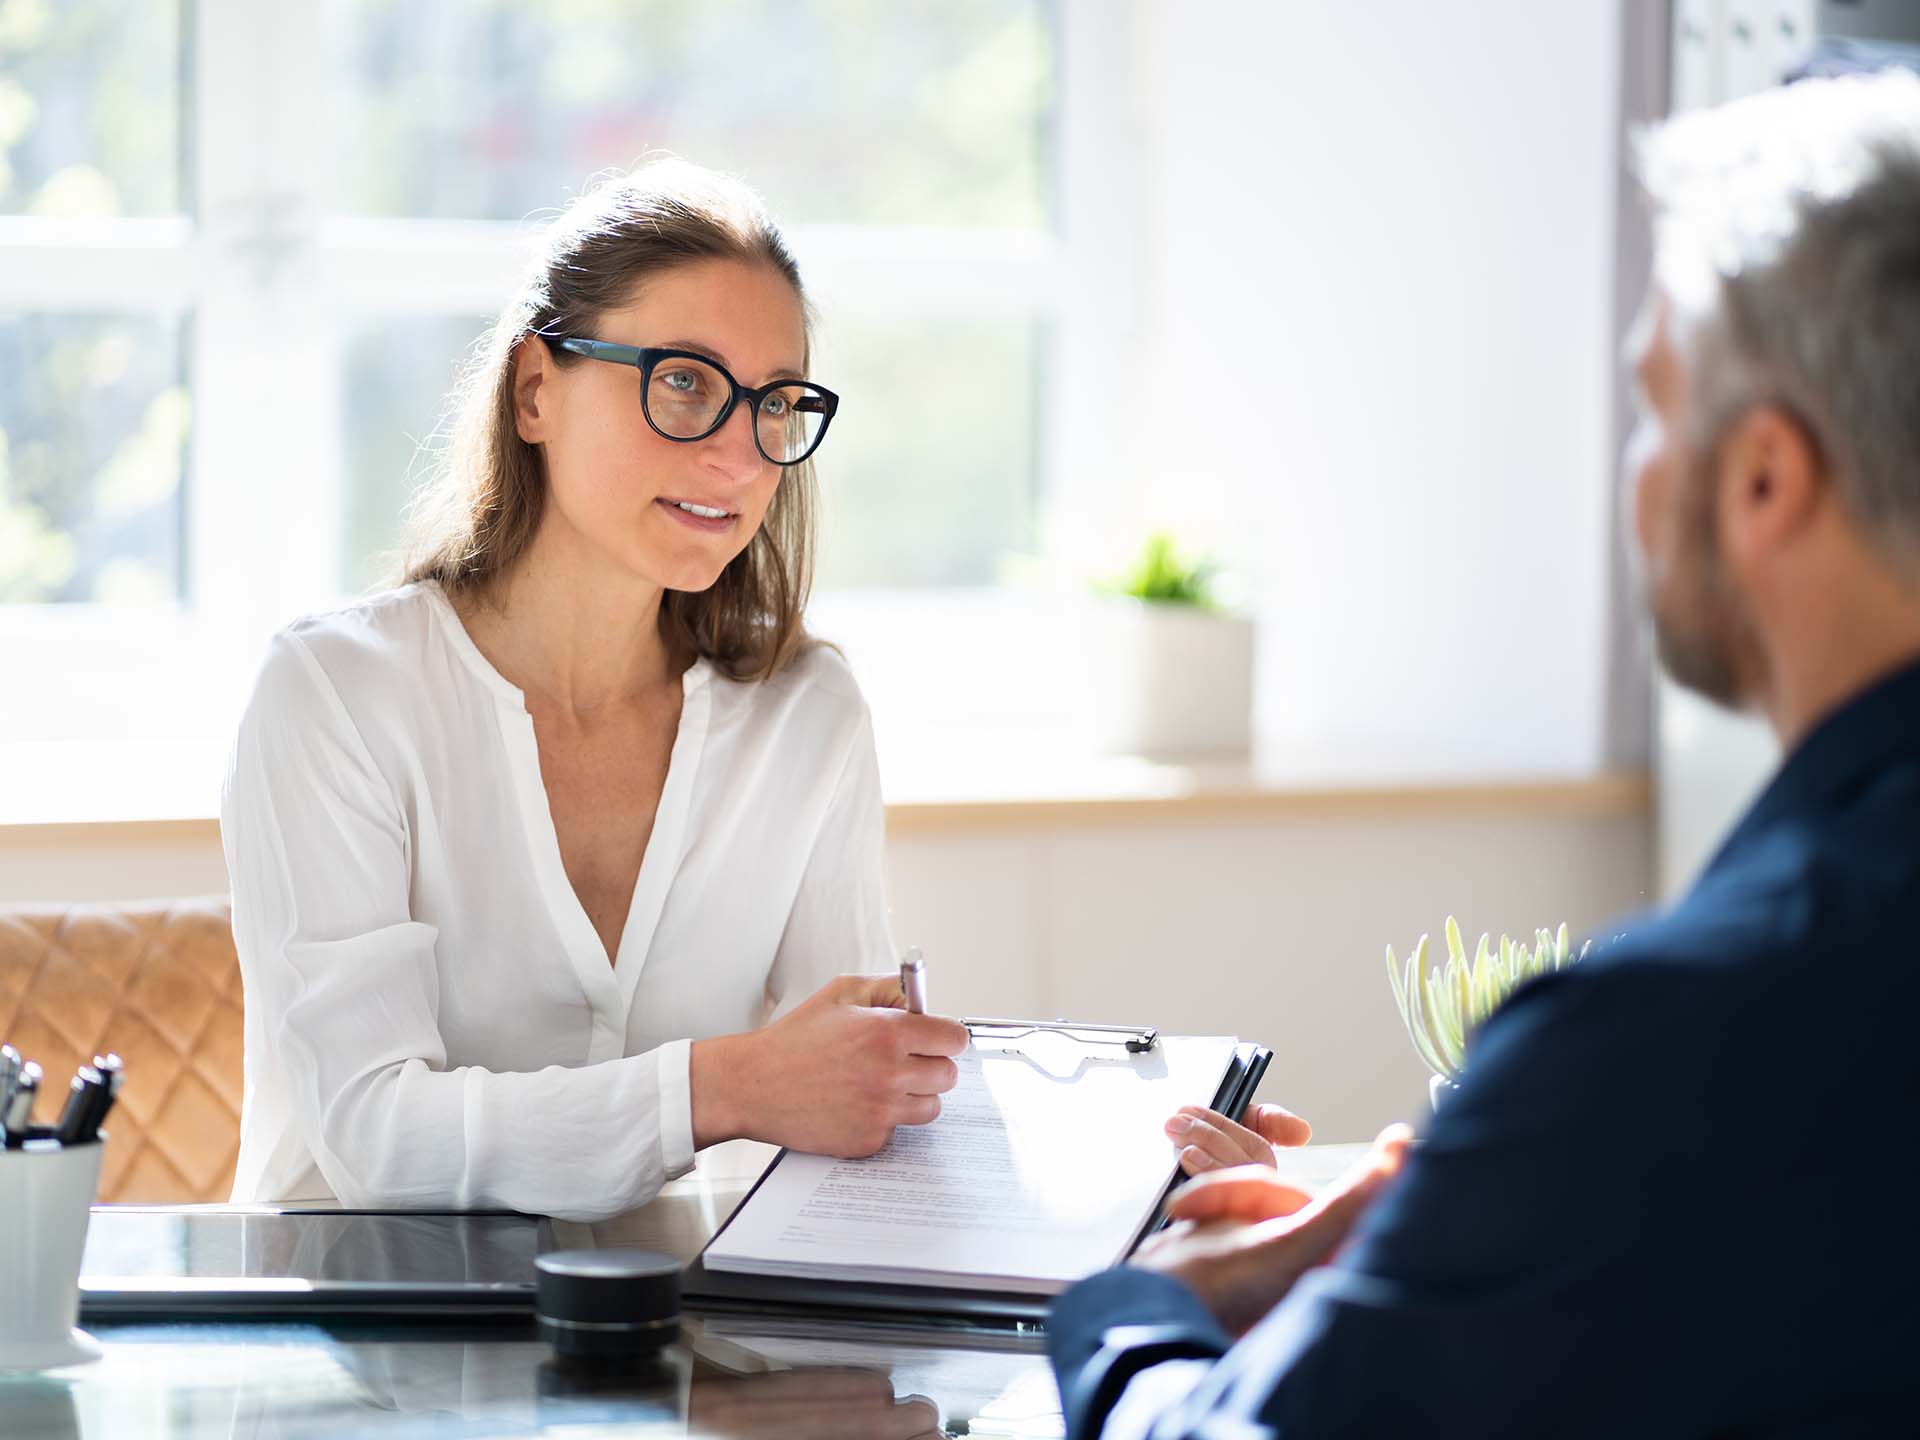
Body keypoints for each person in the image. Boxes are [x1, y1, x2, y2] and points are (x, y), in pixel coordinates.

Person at [1048, 70, 1920, 1438]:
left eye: (1652, 407)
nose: (1633, 473)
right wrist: (1461, 1247)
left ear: (1763, 479)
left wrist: (1136, 1306)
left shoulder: (1668, 1046)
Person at [220, 159, 1276, 1223]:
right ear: (536, 388)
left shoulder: (807, 713)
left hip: (673, 1351)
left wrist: (1142, 1174)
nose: (739, 452)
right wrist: (727, 1088)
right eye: (683, 380)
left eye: (775, 403)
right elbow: (370, 1138)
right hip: (344, 1338)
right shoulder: (335, 694)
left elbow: (858, 1099)